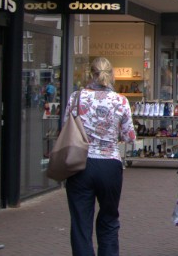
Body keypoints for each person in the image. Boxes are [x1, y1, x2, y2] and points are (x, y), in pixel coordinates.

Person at [64, 57, 135, 256]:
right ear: (111, 74)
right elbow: (129, 136)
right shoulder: (121, 101)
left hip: (80, 163)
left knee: (81, 223)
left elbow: (66, 128)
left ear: (90, 74)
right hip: (110, 165)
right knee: (109, 219)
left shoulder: (76, 98)